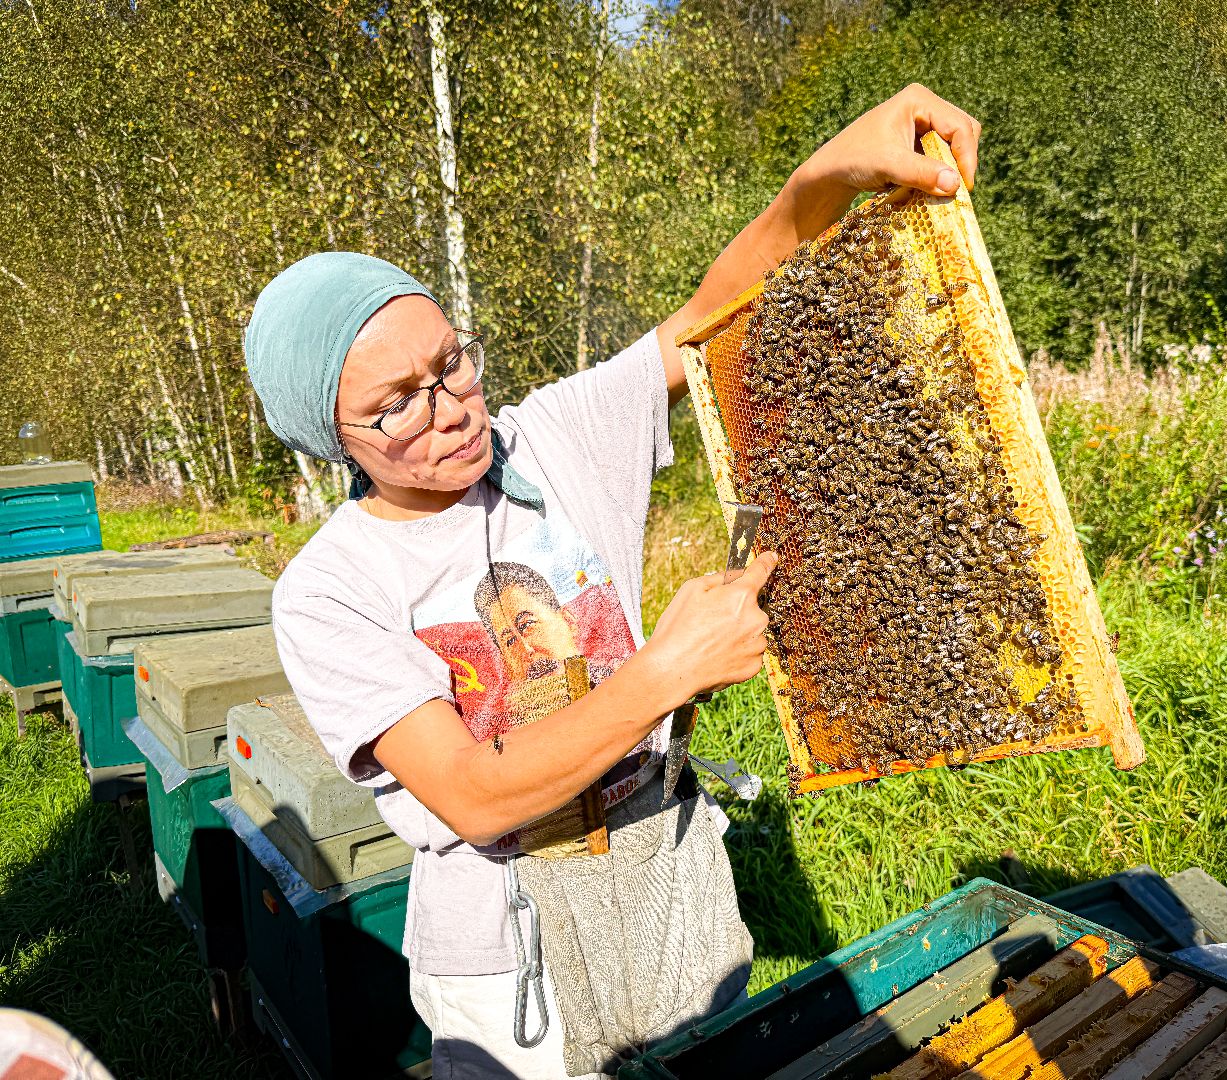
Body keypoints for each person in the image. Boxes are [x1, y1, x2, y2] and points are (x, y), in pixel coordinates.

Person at [243, 85, 981, 1079]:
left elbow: (713, 314)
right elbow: (471, 795)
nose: (451, 411)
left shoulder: (550, 439)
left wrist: (826, 176)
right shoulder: (330, 587)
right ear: (329, 438)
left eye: (452, 364)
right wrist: (664, 675)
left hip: (671, 880)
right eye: (396, 408)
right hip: (511, 966)